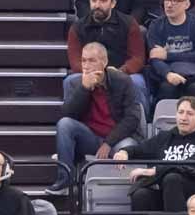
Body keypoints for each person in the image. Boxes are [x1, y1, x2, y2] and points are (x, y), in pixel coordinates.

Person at [52, 43, 143, 193]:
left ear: (105, 62)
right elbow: (68, 114)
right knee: (64, 124)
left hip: (118, 138)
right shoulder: (75, 83)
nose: (86, 66)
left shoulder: (123, 81)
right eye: (83, 61)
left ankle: (121, 194)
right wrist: (84, 89)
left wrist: (108, 143)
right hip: (91, 138)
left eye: (92, 60)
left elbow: (132, 118)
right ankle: (65, 181)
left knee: (126, 148)